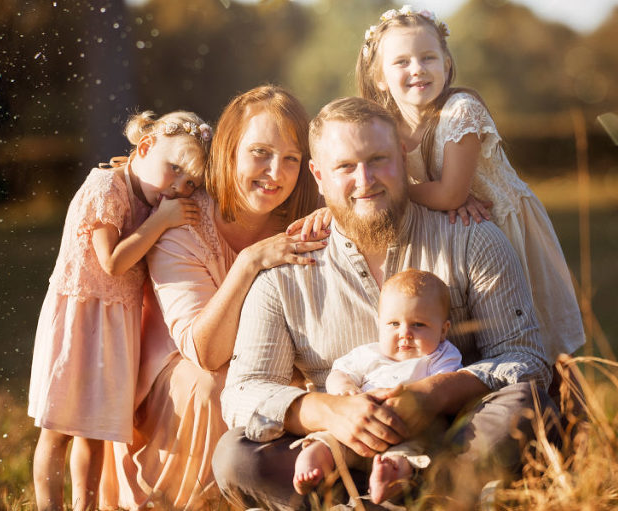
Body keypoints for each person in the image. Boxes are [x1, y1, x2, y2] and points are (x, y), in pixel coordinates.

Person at [215, 96, 558, 510]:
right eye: (345, 167)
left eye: (379, 159)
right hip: (337, 451)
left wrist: (436, 392)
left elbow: (527, 359)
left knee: (527, 407)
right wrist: (330, 411)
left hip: (450, 441)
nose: (365, 180)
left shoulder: (470, 238)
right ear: (318, 175)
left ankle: (421, 496)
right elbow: (242, 393)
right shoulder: (283, 272)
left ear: (403, 156)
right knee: (236, 456)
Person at [295, 5, 584, 364]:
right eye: (401, 62)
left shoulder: (460, 110)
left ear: (446, 64)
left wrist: (390, 190)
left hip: (500, 225)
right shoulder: (388, 126)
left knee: (537, 334)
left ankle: (568, 413)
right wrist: (342, 203)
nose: (417, 69)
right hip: (448, 228)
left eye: (428, 57)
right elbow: (365, 176)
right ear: (380, 77)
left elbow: (451, 193)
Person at [98, 85, 324, 510]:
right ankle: (191, 501)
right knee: (213, 386)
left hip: (275, 360)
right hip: (183, 369)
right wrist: (249, 262)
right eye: (260, 152)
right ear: (229, 150)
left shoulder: (303, 217)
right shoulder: (183, 222)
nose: (275, 172)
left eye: (290, 158)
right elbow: (206, 351)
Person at [28, 110, 212, 510]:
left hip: (115, 325)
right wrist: (162, 221)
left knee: (92, 433)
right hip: (80, 319)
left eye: (190, 182)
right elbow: (111, 261)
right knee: (57, 430)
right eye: (175, 169)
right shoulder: (105, 187)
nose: (179, 187)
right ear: (144, 148)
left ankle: (86, 506)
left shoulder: (153, 199)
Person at [293, 269, 462, 504]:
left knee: (410, 454)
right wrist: (345, 391)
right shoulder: (368, 354)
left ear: (443, 330)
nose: (405, 334)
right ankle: (312, 462)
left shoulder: (441, 356)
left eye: (418, 324)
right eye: (393, 323)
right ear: (379, 324)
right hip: (355, 429)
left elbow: (445, 384)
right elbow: (339, 373)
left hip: (406, 432)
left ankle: (387, 480)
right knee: (327, 440)